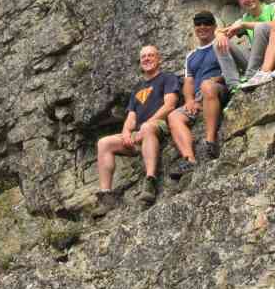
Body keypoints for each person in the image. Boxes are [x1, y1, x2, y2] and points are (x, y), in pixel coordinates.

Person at [94, 45, 180, 216]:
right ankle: (106, 196)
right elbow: (131, 117)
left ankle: (150, 181)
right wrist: (126, 132)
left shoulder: (168, 78)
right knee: (104, 143)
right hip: (139, 133)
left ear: (159, 59)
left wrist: (147, 124)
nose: (147, 59)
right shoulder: (137, 88)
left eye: (151, 55)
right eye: (143, 57)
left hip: (160, 125)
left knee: (147, 128)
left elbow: (170, 105)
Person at [168, 11, 228, 179]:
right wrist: (189, 100)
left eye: (207, 23)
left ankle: (210, 142)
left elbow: (230, 68)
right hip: (198, 98)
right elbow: (188, 82)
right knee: (173, 116)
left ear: (214, 26)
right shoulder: (191, 56)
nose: (202, 27)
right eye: (198, 24)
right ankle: (189, 158)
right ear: (194, 28)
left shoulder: (221, 43)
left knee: (207, 86)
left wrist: (215, 79)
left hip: (217, 89)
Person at [213, 0, 275, 91]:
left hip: (274, 55)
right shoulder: (245, 18)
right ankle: (234, 86)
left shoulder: (272, 8)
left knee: (260, 28)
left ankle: (250, 76)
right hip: (255, 61)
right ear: (239, 2)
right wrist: (219, 35)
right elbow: (221, 32)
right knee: (218, 42)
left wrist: (245, 25)